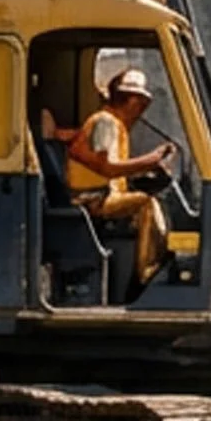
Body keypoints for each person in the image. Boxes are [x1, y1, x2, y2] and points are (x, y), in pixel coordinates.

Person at [63, 66, 177, 292]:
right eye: (141, 103)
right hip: (90, 199)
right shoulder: (105, 123)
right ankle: (148, 272)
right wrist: (150, 160)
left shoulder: (113, 125)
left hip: (103, 195)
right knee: (145, 204)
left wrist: (145, 171)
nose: (142, 110)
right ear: (130, 101)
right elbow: (107, 168)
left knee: (145, 200)